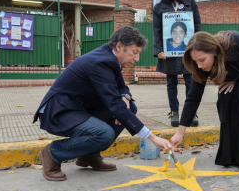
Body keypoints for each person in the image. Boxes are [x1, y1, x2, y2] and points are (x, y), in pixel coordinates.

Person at [33, 26, 172, 181]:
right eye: (134, 53)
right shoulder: (101, 63)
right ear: (119, 47)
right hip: (59, 111)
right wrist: (152, 137)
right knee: (104, 133)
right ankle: (52, 153)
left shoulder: (110, 57)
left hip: (79, 107)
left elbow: (121, 86)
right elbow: (114, 104)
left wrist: (125, 97)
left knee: (129, 108)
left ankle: (89, 156)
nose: (137, 59)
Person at [170, 31, 239, 169]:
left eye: (202, 60)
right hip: (233, 65)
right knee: (224, 97)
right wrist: (180, 132)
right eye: (195, 61)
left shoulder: (236, 42)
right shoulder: (201, 67)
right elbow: (193, 98)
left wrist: (236, 80)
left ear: (214, 51)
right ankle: (228, 155)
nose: (199, 65)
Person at [153, 0, 201, 127]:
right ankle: (174, 112)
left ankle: (191, 113)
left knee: (190, 81)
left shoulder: (190, 3)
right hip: (169, 52)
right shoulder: (158, 8)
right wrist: (159, 49)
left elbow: (198, 26)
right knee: (171, 83)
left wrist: (197, 47)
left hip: (188, 51)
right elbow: (157, 30)